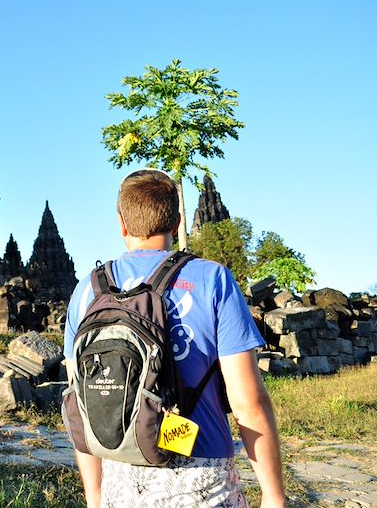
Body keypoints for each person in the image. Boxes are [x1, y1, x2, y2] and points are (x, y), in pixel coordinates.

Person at [64, 169, 286, 508]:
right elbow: (248, 403)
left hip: (120, 480)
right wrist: (273, 496)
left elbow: (84, 402)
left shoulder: (88, 291)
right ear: (177, 222)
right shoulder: (212, 279)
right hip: (203, 480)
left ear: (121, 224)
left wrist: (95, 497)